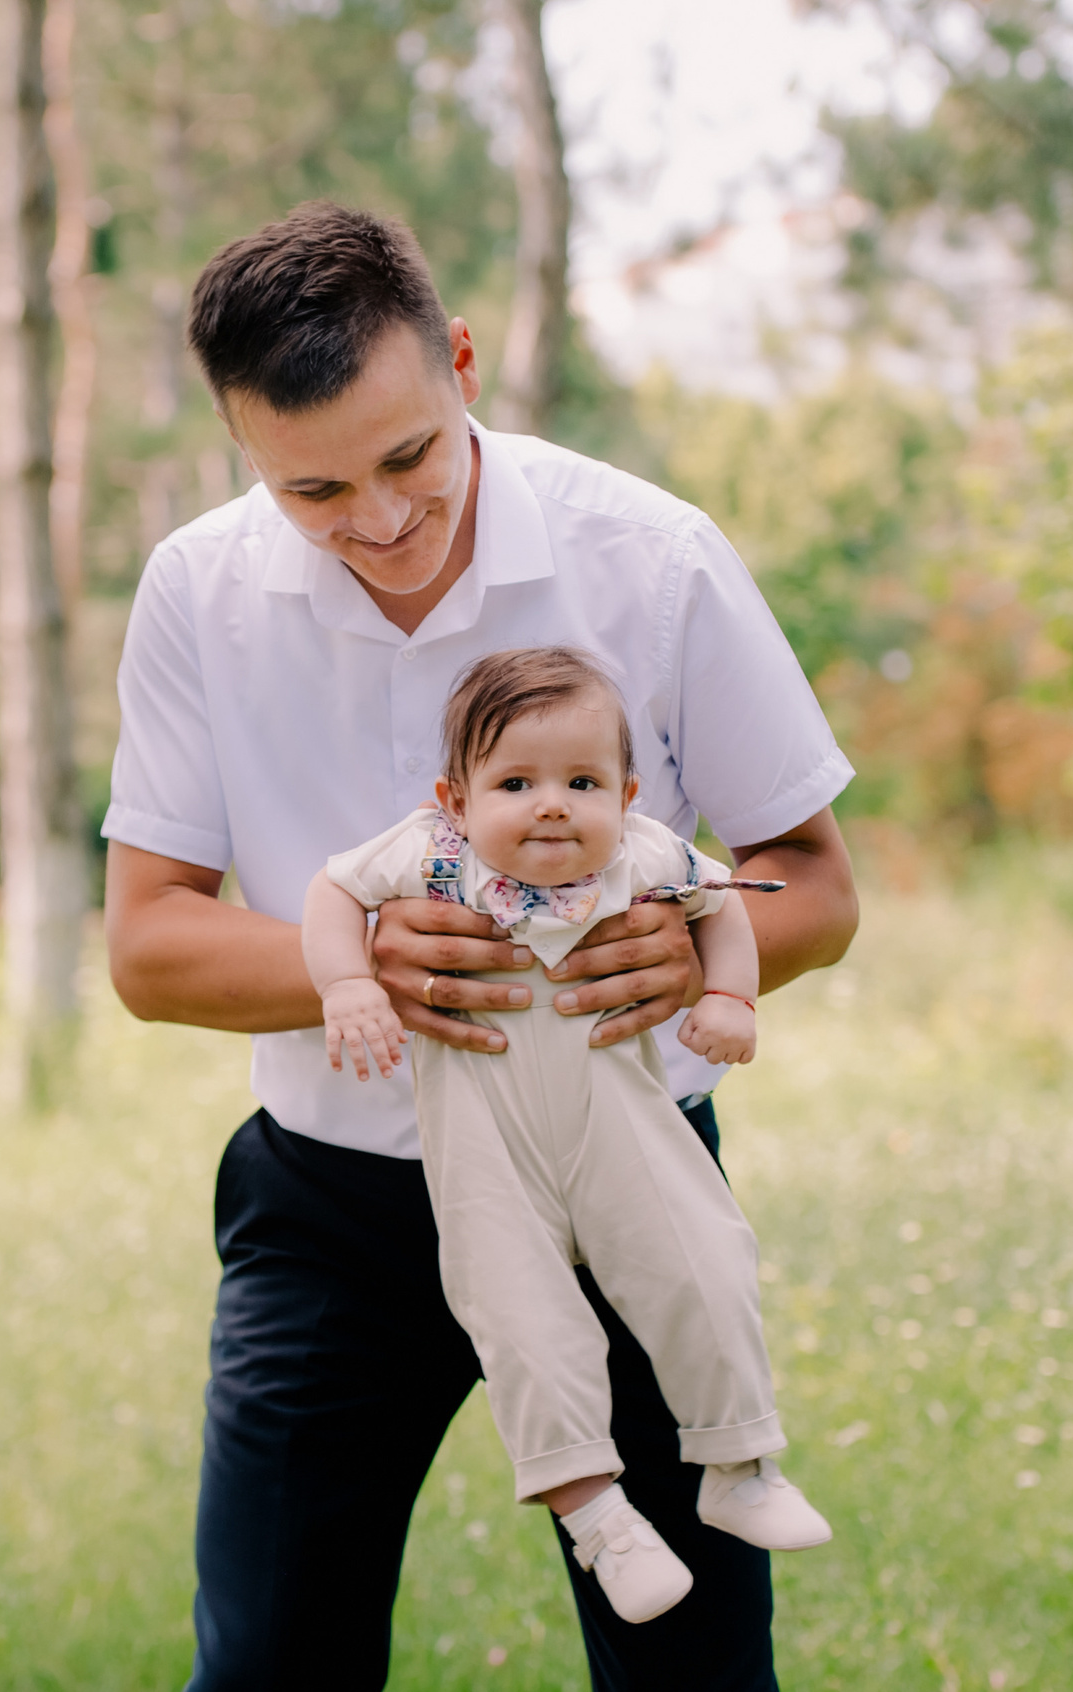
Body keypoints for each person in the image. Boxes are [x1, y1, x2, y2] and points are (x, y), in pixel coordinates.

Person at [102, 200, 859, 1692]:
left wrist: (709, 957)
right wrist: (366, 964)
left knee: (694, 1675)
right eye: (312, 487)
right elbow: (150, 942)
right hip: (331, 1204)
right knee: (266, 1672)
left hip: (620, 1166)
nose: (379, 520)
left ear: (458, 361)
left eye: (408, 458)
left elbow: (814, 884)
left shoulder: (651, 560)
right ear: (241, 443)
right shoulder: (197, 589)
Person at [304, 645, 835, 1627]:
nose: (552, 804)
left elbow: (726, 909)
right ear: (453, 796)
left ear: (627, 792)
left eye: (581, 781)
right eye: (516, 781)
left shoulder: (644, 853)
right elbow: (332, 892)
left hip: (622, 1126)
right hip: (485, 1148)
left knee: (705, 1261)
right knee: (525, 1325)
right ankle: (601, 1522)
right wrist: (345, 982)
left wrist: (729, 992)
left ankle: (738, 1462)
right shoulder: (428, 856)